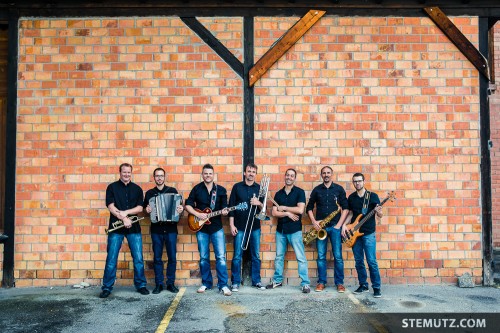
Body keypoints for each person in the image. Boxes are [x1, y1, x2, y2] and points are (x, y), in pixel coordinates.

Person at [100, 163, 149, 298]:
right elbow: (111, 206)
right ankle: (107, 287)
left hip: (134, 228)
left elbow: (140, 208)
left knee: (138, 258)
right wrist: (123, 218)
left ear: (131, 173)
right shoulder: (112, 188)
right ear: (120, 172)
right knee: (111, 258)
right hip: (116, 229)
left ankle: (141, 285)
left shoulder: (137, 189)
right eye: (124, 172)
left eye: (129, 172)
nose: (126, 174)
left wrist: (125, 214)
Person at [185, 164, 232, 296]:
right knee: (204, 257)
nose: (208, 176)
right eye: (205, 173)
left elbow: (225, 209)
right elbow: (187, 205)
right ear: (202, 175)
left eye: (210, 173)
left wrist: (225, 212)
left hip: (217, 228)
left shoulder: (221, 190)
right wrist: (197, 214)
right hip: (201, 229)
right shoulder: (197, 189)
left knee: (221, 257)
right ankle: (206, 283)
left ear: (213, 175)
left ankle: (223, 285)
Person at [266, 168, 310, 293]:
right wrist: (287, 214)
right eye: (287, 175)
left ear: (294, 178)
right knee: (279, 257)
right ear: (284, 176)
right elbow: (274, 212)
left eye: (292, 176)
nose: (289, 177)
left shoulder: (299, 192)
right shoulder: (278, 194)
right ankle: (277, 280)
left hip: (295, 231)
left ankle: (305, 283)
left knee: (300, 257)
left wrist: (284, 208)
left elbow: (300, 210)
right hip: (281, 231)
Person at [306, 166, 350, 293]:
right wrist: (314, 222)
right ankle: (321, 282)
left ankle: (340, 283)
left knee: (338, 256)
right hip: (321, 228)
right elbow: (309, 208)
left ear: (332, 174)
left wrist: (339, 225)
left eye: (328, 173)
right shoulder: (316, 190)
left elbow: (345, 208)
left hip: (335, 227)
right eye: (324, 173)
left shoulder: (339, 189)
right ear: (321, 175)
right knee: (321, 256)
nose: (326, 175)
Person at [143, 167, 184, 294]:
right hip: (156, 229)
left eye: (161, 176)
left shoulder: (172, 191)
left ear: (165, 177)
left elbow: (179, 211)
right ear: (154, 178)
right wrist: (147, 210)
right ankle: (159, 284)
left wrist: (180, 211)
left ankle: (170, 283)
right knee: (157, 258)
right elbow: (145, 210)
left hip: (171, 229)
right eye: (157, 176)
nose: (159, 178)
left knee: (172, 257)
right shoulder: (149, 193)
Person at [344, 173, 383, 298]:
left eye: (359, 181)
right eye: (355, 181)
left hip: (368, 233)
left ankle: (376, 287)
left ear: (364, 181)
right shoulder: (351, 197)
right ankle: (363, 285)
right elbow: (350, 214)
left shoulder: (372, 196)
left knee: (371, 261)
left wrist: (379, 212)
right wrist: (345, 225)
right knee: (359, 261)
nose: (357, 183)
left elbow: (380, 215)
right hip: (355, 234)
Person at [228, 163, 265, 292]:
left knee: (256, 255)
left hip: (254, 227)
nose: (251, 174)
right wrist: (232, 225)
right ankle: (235, 282)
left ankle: (257, 281)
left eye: (253, 172)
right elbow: (231, 208)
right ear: (245, 173)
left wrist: (258, 203)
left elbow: (264, 210)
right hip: (239, 227)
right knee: (237, 255)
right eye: (249, 171)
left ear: (256, 174)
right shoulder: (237, 187)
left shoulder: (260, 188)